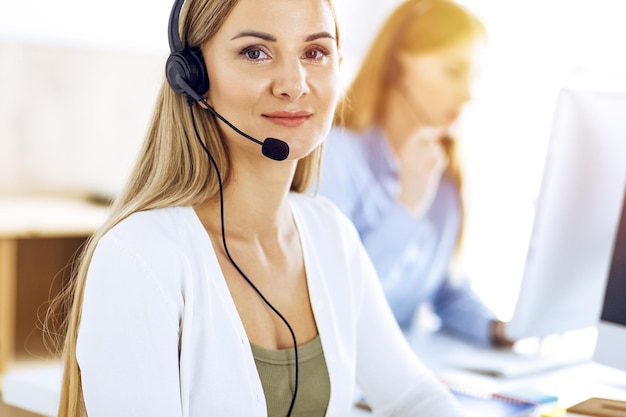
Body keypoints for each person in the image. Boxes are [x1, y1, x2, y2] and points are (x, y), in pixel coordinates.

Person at [52, 0, 467, 416]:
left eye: (315, 52)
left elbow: (412, 395)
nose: (294, 83)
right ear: (192, 77)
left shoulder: (330, 235)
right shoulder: (140, 257)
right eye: (255, 52)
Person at [318, 0, 514, 347]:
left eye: (474, 76)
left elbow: (448, 293)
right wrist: (407, 205)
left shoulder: (444, 176)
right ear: (398, 65)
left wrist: (497, 329)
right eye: (453, 71)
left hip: (400, 376)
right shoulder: (335, 156)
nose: (467, 94)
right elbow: (339, 299)